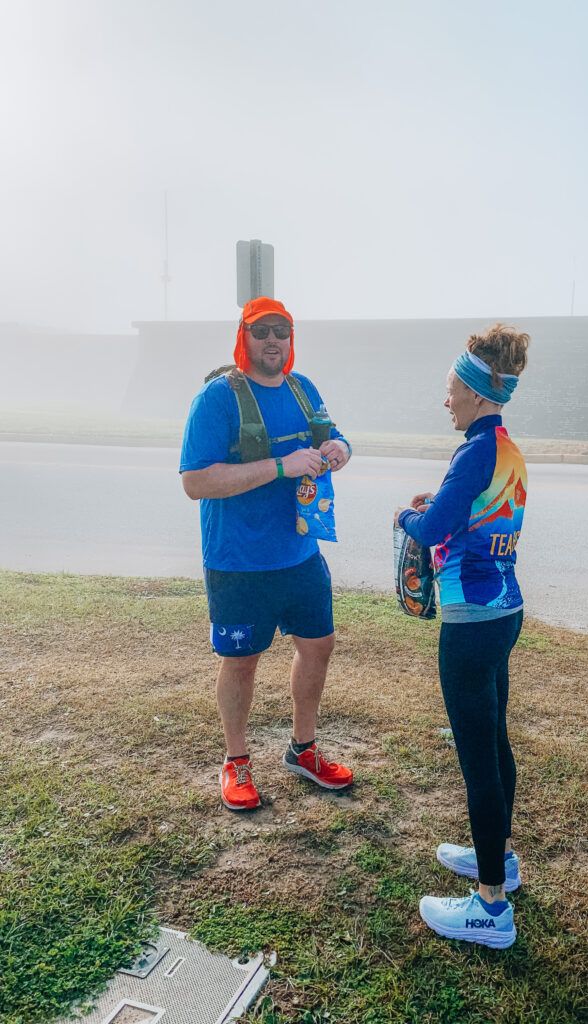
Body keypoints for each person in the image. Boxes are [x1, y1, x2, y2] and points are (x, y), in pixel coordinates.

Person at [180, 296, 353, 812]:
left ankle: (302, 750)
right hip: (238, 561)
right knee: (241, 663)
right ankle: (236, 762)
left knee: (318, 646)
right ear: (244, 336)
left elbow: (333, 435)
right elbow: (195, 481)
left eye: (282, 330)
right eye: (262, 331)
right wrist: (280, 466)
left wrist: (340, 450)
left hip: (301, 554)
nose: (273, 340)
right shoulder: (218, 398)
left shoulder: (304, 389)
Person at [395, 323, 530, 949]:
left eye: (451, 390)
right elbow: (472, 517)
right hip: (503, 611)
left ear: (476, 394)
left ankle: (490, 909)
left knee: (479, 759)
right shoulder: (505, 449)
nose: (445, 399)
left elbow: (428, 531)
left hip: (471, 624)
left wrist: (406, 514)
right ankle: (498, 858)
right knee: (495, 739)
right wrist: (438, 509)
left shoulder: (473, 452)